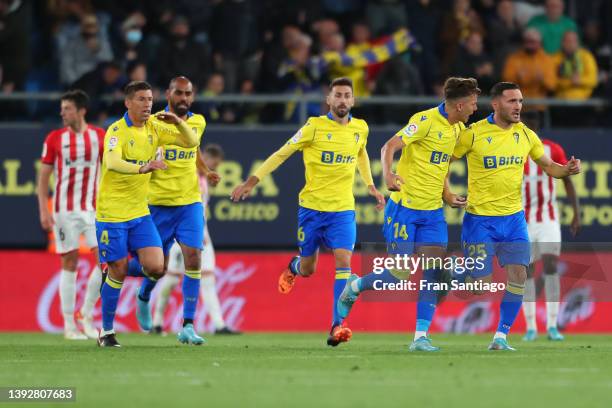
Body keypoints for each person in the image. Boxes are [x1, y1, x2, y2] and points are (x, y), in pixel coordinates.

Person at [231, 77, 385, 347]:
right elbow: (282, 153)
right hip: (312, 209)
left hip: (342, 209)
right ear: (328, 100)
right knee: (308, 268)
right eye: (337, 95)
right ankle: (293, 266)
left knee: (343, 261)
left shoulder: (361, 128)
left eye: (347, 95)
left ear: (353, 100)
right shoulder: (313, 127)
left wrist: (370, 185)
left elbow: (360, 154)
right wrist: (252, 181)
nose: (342, 100)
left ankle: (337, 324)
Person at [337, 77, 481, 352]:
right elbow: (388, 146)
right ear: (460, 104)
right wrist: (388, 174)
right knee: (398, 275)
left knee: (434, 273)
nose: (475, 109)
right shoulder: (425, 120)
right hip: (404, 209)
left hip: (432, 213)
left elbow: (442, 165)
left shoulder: (458, 129)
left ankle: (420, 337)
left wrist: (447, 194)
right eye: (473, 104)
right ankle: (354, 287)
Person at [447, 82, 581, 351]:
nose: (518, 106)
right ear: (495, 104)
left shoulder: (526, 135)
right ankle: (451, 275)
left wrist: (566, 170)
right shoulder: (473, 134)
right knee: (481, 287)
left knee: (519, 275)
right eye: (511, 101)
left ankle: (501, 336)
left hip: (514, 219)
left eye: (520, 101)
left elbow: (548, 166)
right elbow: (445, 162)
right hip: (480, 220)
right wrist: (447, 193)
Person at [96, 80, 199, 347]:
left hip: (140, 213)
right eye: (141, 99)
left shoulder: (155, 126)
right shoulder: (116, 131)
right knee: (119, 269)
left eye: (150, 100)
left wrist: (177, 122)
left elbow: (191, 142)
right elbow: (112, 161)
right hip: (113, 213)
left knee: (156, 267)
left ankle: (114, 280)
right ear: (128, 102)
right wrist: (143, 167)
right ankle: (106, 331)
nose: (147, 105)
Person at [123, 77, 213, 345]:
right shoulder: (151, 122)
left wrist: (206, 170)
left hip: (188, 203)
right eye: (179, 93)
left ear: (192, 97)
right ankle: (140, 293)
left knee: (194, 258)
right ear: (168, 94)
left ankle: (187, 325)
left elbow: (193, 145)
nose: (184, 98)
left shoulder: (198, 122)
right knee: (156, 269)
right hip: (156, 204)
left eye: (188, 93)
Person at [37, 90, 105, 340]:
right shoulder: (55, 138)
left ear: (81, 110)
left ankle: (86, 314)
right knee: (70, 263)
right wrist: (44, 208)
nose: (62, 113)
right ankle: (69, 326)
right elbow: (43, 177)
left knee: (104, 261)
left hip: (93, 209)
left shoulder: (99, 136)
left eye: (67, 108)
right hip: (64, 210)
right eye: (62, 108)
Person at [153, 144, 239, 335]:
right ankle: (157, 321)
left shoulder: (204, 179)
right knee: (171, 281)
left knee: (207, 278)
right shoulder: (187, 174)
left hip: (201, 232)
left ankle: (219, 325)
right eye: (212, 164)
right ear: (204, 158)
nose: (213, 168)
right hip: (181, 233)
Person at [521, 115, 581, 342]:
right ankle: (530, 327)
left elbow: (566, 179)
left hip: (548, 218)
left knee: (551, 266)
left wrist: (576, 213)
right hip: (522, 220)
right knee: (525, 270)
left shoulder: (552, 149)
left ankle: (553, 325)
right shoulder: (513, 151)